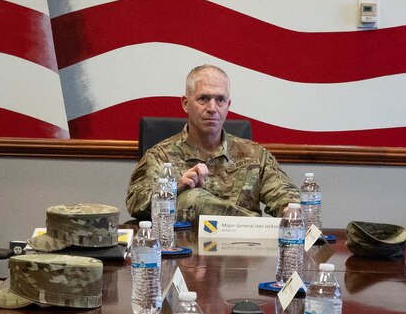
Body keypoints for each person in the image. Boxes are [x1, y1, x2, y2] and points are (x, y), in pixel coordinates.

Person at [126, 64, 299, 223]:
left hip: (242, 251)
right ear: (186, 103)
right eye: (203, 98)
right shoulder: (161, 156)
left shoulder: (254, 155)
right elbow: (136, 202)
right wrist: (175, 188)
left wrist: (289, 212)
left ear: (228, 105)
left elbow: (287, 198)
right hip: (184, 250)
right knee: (191, 198)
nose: (212, 108)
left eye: (220, 100)